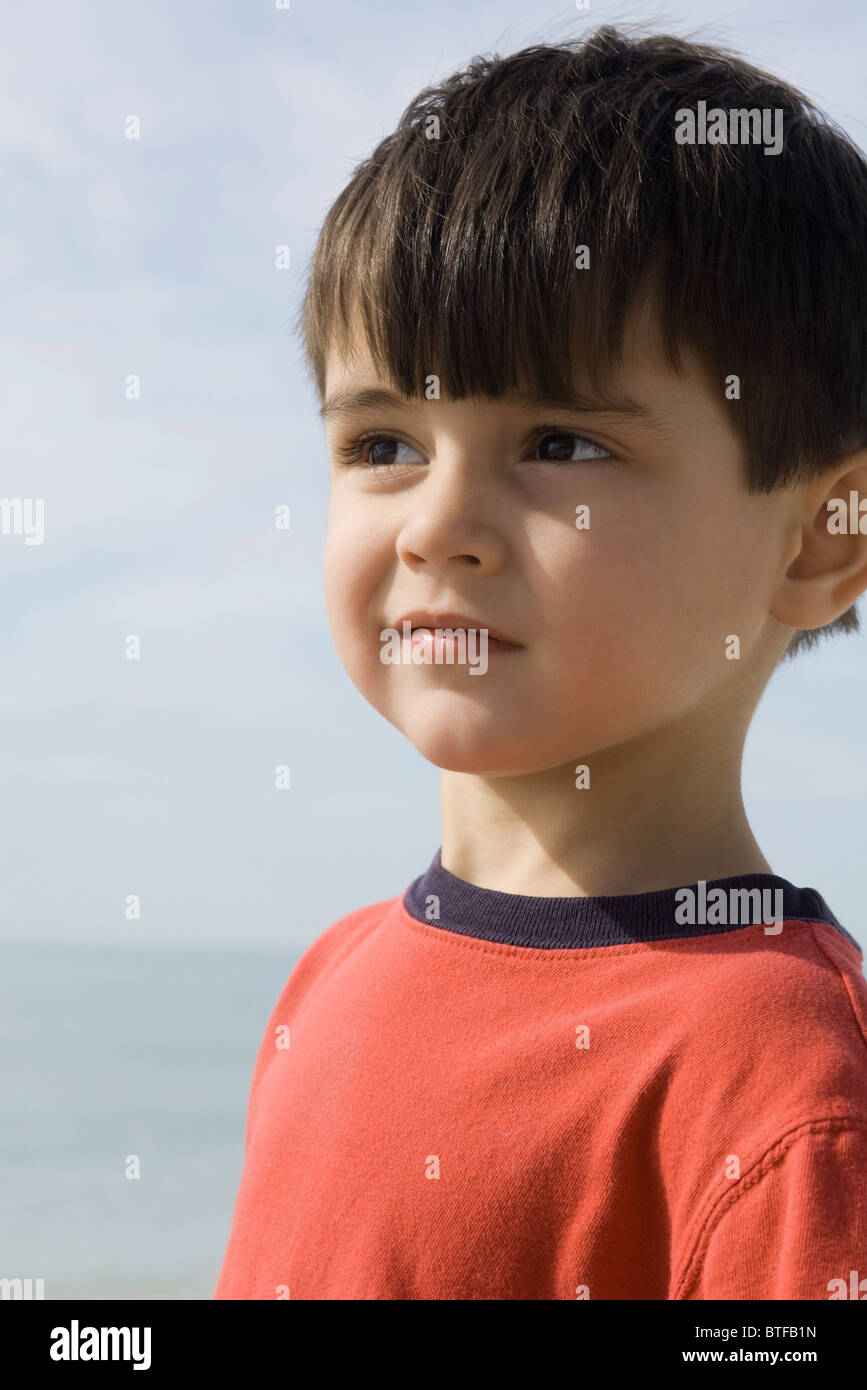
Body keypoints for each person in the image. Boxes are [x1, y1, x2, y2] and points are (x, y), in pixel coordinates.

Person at [216, 25, 867, 1300]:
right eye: (382, 444)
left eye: (562, 445)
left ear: (821, 537)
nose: (436, 528)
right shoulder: (329, 976)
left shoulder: (789, 1096)